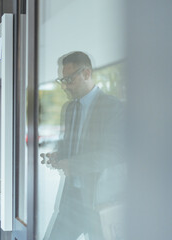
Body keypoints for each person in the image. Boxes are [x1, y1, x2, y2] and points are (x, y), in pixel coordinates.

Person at [45, 51, 126, 240]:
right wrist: (59, 155)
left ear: (87, 73)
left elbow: (114, 154)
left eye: (69, 79)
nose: (65, 86)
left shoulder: (112, 107)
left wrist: (73, 165)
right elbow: (71, 146)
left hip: (98, 201)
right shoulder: (70, 109)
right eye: (62, 80)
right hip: (71, 201)